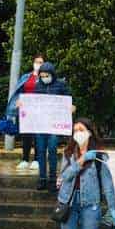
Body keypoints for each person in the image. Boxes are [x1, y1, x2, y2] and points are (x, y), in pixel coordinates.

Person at [22, 61, 73, 191]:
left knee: (52, 150)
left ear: (52, 74)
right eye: (42, 75)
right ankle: (42, 178)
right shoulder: (38, 85)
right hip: (41, 124)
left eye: (46, 75)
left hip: (54, 125)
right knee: (40, 151)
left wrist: (71, 107)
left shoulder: (61, 85)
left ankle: (52, 179)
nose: (44, 78)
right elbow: (33, 102)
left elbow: (68, 100)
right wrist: (23, 105)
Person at [4, 54, 45, 171]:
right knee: (26, 136)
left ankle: (37, 160)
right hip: (25, 111)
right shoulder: (26, 77)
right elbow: (18, 92)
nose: (38, 64)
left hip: (40, 111)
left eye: (41, 62)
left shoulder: (46, 78)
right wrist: (17, 102)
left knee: (38, 136)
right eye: (37, 62)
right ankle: (25, 159)